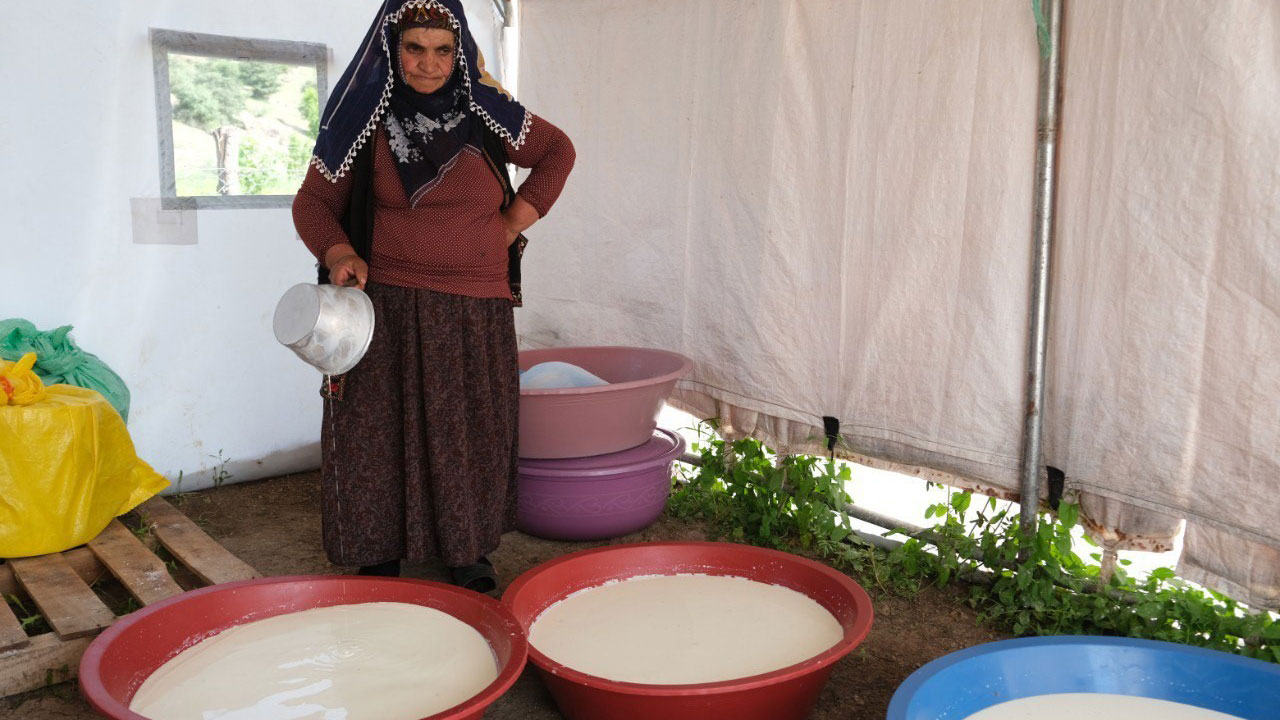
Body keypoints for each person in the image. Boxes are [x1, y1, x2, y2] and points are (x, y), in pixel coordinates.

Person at [292, 0, 575, 592]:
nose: (429, 64)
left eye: (443, 50)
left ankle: (466, 551)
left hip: (474, 305)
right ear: (391, 50)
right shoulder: (363, 120)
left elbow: (557, 152)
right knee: (378, 429)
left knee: (468, 427)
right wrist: (341, 254)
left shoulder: (486, 112)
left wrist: (508, 225)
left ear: (460, 52)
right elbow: (313, 203)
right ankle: (379, 550)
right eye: (415, 49)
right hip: (385, 306)